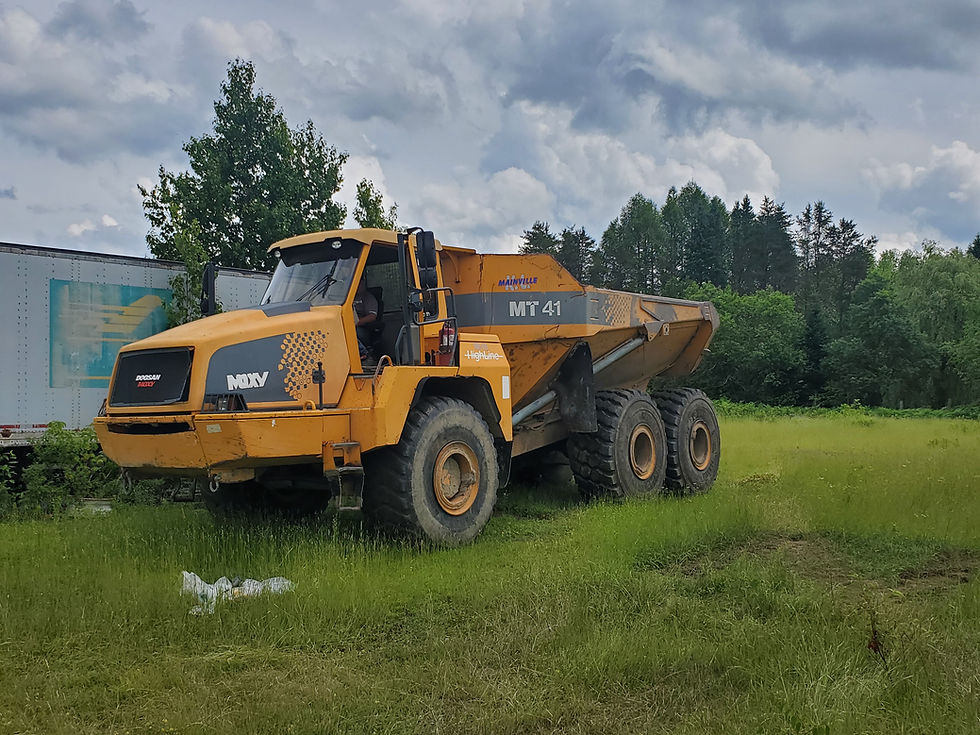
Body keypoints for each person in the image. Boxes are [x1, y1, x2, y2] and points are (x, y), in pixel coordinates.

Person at [353, 279, 378, 360]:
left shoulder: (369, 298)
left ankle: (364, 353)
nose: (357, 286)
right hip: (345, 324)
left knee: (353, 333)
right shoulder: (347, 297)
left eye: (359, 284)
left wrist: (356, 322)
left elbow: (372, 316)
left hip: (362, 327)